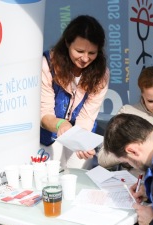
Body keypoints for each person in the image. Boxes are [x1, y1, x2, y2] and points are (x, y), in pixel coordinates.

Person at [40, 15, 109, 170]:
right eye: (79, 51)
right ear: (67, 43)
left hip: (81, 131)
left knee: (78, 176)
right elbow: (44, 115)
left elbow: (87, 117)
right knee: (51, 176)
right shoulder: (48, 64)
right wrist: (60, 124)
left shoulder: (101, 74)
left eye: (92, 53)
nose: (85, 58)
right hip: (49, 135)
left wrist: (81, 142)